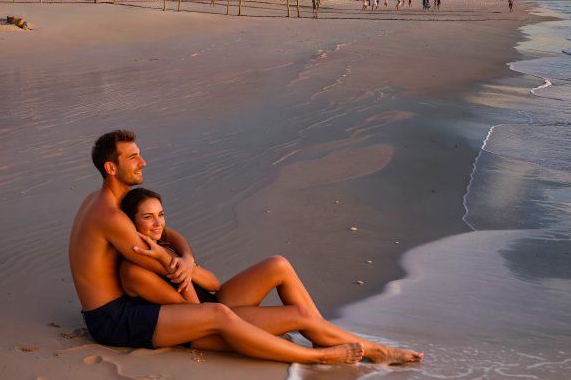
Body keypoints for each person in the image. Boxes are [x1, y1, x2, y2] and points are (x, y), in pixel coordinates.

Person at [69, 130, 421, 365]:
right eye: (133, 158)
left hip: (171, 297)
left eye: (140, 155)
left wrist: (185, 256)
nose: (143, 162)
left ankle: (324, 335)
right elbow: (163, 266)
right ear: (111, 167)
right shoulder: (111, 217)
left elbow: (167, 238)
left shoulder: (111, 202)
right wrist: (173, 261)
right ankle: (334, 353)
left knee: (278, 264)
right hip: (115, 318)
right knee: (220, 313)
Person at [120, 185, 422, 364]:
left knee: (278, 263)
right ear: (131, 224)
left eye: (160, 215)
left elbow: (213, 284)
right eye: (148, 217)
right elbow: (195, 312)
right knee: (300, 314)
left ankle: (322, 335)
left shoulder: (163, 244)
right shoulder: (134, 271)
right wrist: (172, 268)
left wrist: (185, 263)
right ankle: (376, 351)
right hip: (206, 327)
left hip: (214, 301)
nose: (158, 223)